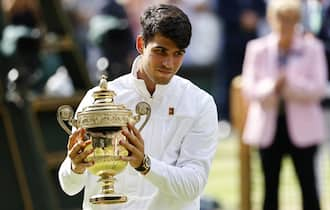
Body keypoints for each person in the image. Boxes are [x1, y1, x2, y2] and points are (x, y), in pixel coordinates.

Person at [58, 4, 219, 210]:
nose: (169, 63)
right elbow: (69, 186)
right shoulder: (98, 99)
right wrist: (74, 167)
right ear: (141, 44)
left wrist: (144, 164)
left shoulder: (200, 103)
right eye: (160, 51)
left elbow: (193, 185)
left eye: (178, 53)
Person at [241, 0, 327, 210]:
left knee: (308, 187)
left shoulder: (312, 48)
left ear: (297, 21)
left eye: (289, 20)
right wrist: (273, 86)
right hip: (269, 128)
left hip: (303, 128)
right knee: (270, 188)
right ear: (271, 19)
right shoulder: (257, 48)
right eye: (280, 19)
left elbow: (318, 88)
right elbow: (249, 89)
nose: (284, 24)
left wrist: (290, 84)